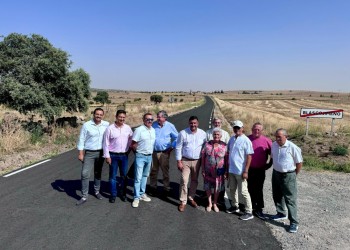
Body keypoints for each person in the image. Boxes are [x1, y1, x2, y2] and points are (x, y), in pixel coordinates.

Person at [270, 128, 303, 233]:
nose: (277, 139)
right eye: (276, 136)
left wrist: (293, 174)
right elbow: (272, 157)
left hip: (288, 175)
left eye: (280, 136)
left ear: (286, 136)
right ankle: (281, 213)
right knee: (277, 195)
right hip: (276, 173)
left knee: (290, 199)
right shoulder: (274, 145)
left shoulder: (292, 147)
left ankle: (294, 222)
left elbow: (299, 163)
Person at [76, 108, 109, 206]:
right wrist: (81, 153)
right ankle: (84, 196)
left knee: (98, 172)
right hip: (89, 153)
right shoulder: (87, 125)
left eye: (100, 114)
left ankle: (96, 191)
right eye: (97, 114)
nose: (98, 116)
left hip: (101, 152)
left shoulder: (106, 124)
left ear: (103, 115)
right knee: (85, 173)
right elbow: (81, 139)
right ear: (93, 114)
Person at [176, 115, 206, 212]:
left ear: (198, 123)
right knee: (184, 180)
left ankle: (191, 197)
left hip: (197, 161)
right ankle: (183, 201)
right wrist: (179, 161)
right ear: (189, 123)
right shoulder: (183, 133)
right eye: (191, 123)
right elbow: (178, 147)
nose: (193, 125)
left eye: (195, 123)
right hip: (185, 160)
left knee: (194, 180)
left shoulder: (203, 134)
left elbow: (205, 147)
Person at [103, 110, 133, 203]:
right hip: (113, 155)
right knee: (113, 176)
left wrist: (128, 149)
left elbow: (131, 139)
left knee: (124, 176)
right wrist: (107, 156)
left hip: (124, 155)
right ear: (116, 117)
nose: (122, 119)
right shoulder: (110, 128)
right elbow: (105, 143)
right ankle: (113, 194)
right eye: (120, 117)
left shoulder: (128, 128)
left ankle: (123, 194)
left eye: (123, 117)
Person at [226, 120, 254, 220]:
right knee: (232, 189)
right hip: (232, 170)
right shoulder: (232, 138)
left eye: (238, 128)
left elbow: (249, 156)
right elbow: (228, 152)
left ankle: (249, 211)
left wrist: (246, 171)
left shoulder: (246, 140)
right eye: (235, 128)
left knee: (243, 192)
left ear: (242, 128)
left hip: (241, 171)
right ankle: (235, 206)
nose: (236, 129)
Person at [149, 110, 178, 197]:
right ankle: (153, 187)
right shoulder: (154, 125)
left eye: (159, 117)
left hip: (164, 153)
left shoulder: (170, 126)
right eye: (157, 116)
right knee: (153, 171)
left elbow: (178, 138)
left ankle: (166, 188)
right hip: (154, 152)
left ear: (164, 118)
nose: (157, 118)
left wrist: (171, 148)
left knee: (165, 171)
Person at [247, 122, 272, 219]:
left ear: (262, 131)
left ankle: (259, 208)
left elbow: (272, 154)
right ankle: (250, 206)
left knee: (258, 188)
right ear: (252, 129)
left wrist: (269, 164)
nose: (256, 131)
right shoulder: (247, 139)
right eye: (255, 129)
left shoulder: (267, 140)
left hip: (260, 169)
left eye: (258, 129)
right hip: (248, 169)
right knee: (248, 188)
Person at [131, 113, 156, 208]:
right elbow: (133, 144)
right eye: (147, 119)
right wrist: (138, 153)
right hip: (140, 156)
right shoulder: (139, 130)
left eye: (151, 119)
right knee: (138, 177)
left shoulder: (153, 130)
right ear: (143, 120)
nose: (149, 121)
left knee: (145, 176)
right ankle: (136, 197)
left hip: (149, 156)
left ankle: (142, 194)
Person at [201, 128, 228, 212]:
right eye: (215, 134)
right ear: (212, 135)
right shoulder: (207, 144)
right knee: (208, 186)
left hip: (219, 171)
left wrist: (226, 171)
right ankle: (209, 203)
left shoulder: (224, 145)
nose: (216, 136)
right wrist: (202, 169)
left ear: (221, 136)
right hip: (208, 170)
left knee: (217, 187)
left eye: (218, 135)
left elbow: (226, 159)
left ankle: (215, 203)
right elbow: (203, 157)